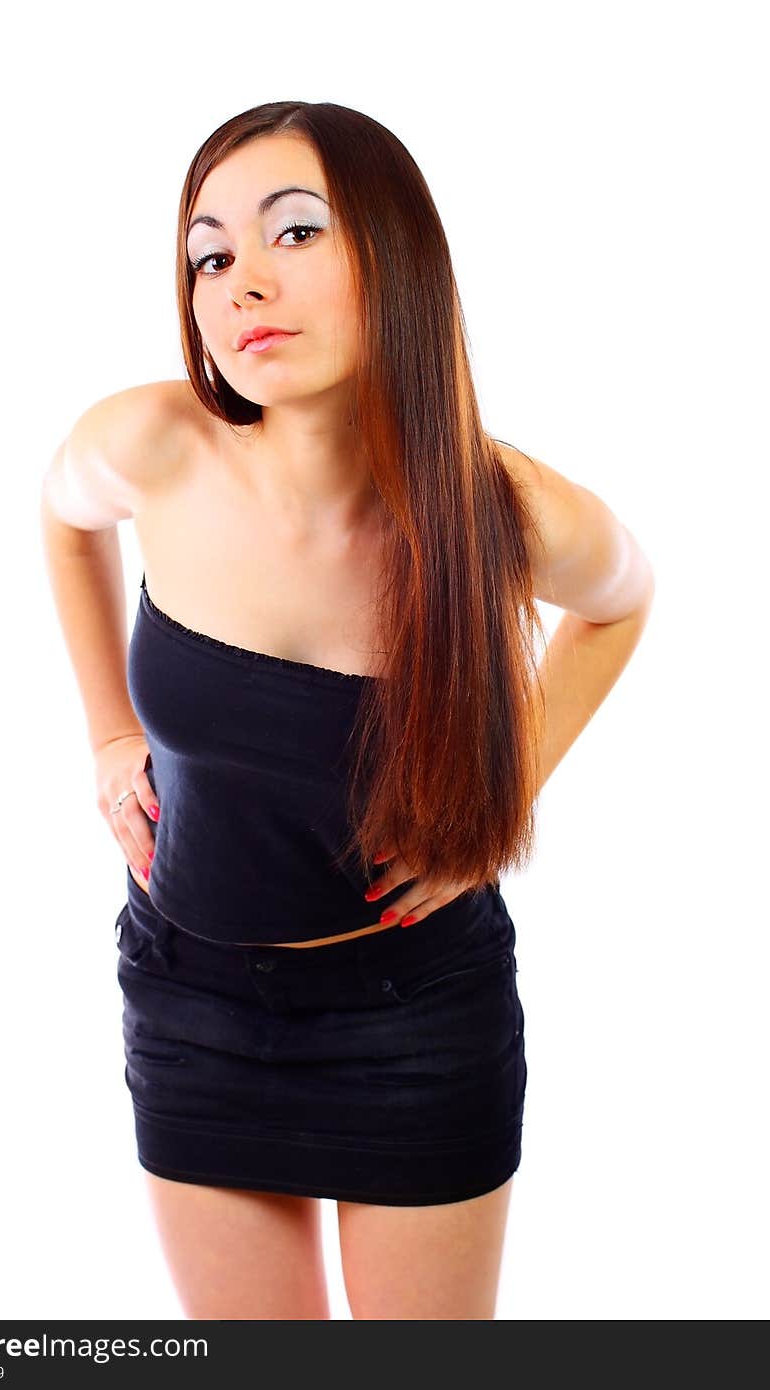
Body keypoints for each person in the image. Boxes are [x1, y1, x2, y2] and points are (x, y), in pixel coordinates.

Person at [40, 100, 655, 1320]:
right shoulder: (150, 442)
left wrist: (503, 790)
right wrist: (110, 727)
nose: (239, 281)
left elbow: (622, 602)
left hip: (415, 1017)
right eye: (209, 255)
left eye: (296, 232)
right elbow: (63, 519)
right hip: (189, 997)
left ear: (396, 256)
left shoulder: (503, 506)